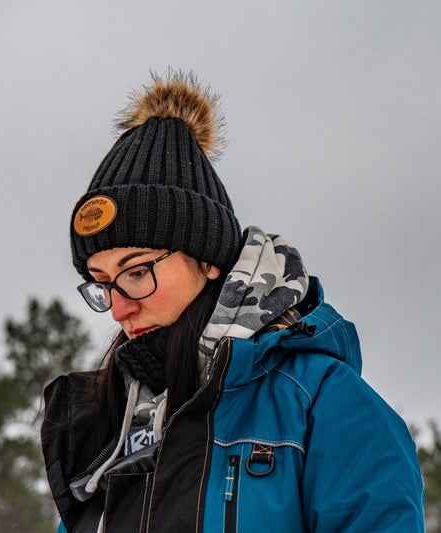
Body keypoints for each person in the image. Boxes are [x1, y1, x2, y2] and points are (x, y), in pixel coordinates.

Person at [41, 70, 424, 533]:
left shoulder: (325, 406)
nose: (119, 310)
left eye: (137, 272)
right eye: (102, 284)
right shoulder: (107, 427)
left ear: (209, 259)